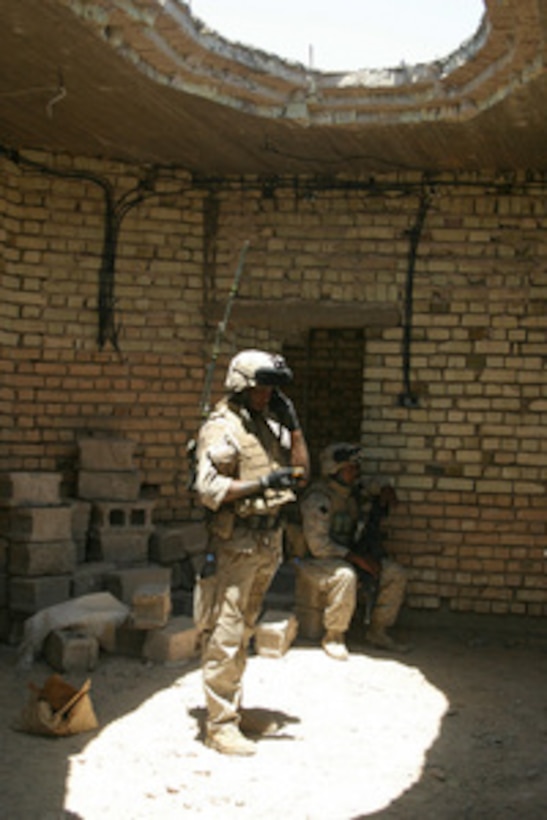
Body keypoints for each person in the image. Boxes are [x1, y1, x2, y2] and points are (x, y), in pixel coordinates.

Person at [194, 348, 310, 756]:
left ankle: (234, 710)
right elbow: (209, 490)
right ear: (241, 385)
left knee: (244, 629)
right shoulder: (221, 427)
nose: (267, 394)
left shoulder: (268, 425)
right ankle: (219, 725)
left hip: (268, 540)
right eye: (262, 386)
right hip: (237, 542)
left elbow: (301, 474)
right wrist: (261, 485)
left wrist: (294, 427)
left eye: (273, 389)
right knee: (226, 632)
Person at [298, 442, 407, 660]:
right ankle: (334, 635)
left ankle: (378, 631)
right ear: (334, 471)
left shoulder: (350, 492)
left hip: (346, 557)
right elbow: (318, 546)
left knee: (394, 573)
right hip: (315, 561)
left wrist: (385, 488)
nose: (356, 472)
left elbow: (372, 485)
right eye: (351, 468)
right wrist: (357, 559)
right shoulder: (319, 499)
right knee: (346, 576)